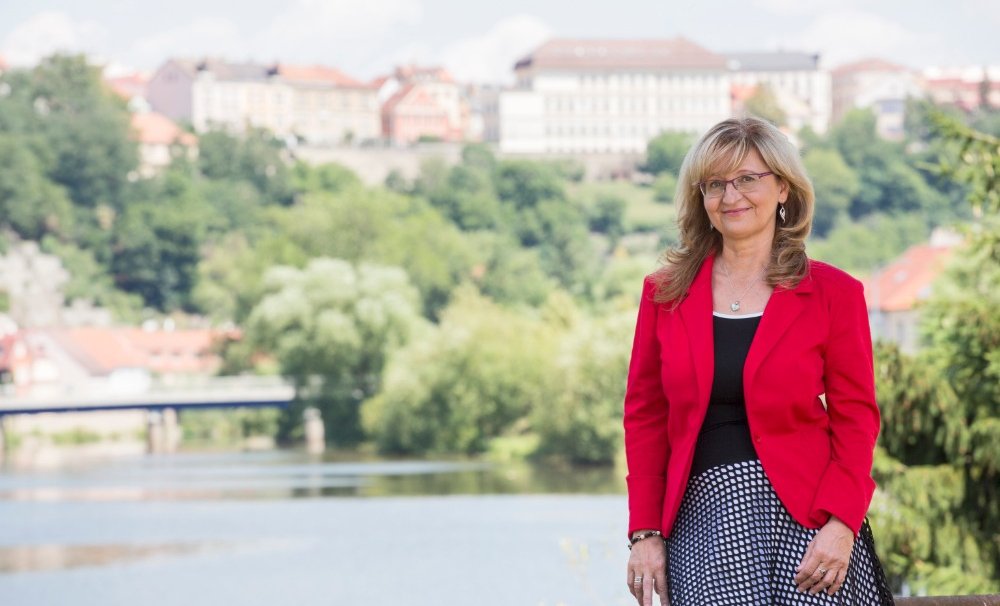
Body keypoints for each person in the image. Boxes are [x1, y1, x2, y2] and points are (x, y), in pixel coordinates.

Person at [622, 117, 893, 605]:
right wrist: (645, 533)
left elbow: (857, 419)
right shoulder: (664, 294)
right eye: (716, 184)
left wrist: (841, 524)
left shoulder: (835, 293)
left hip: (809, 523)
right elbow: (645, 417)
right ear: (700, 198)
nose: (732, 197)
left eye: (748, 179)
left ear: (783, 189)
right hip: (703, 521)